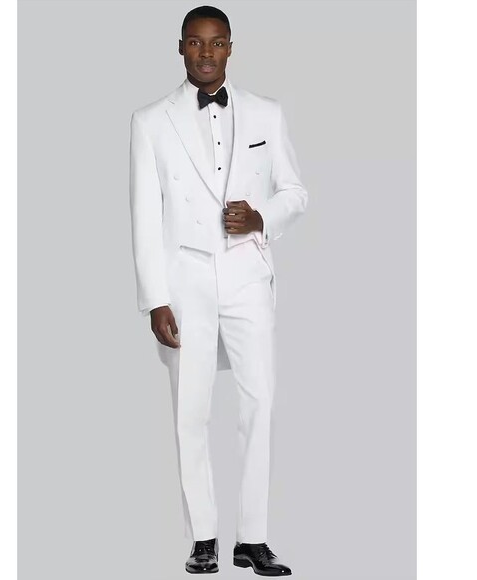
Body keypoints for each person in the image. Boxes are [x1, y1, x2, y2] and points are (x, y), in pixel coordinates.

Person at [129, 5, 307, 576]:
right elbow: (144, 216)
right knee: (190, 410)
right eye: (195, 42)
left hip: (247, 276)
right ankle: (203, 538)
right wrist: (155, 297)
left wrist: (261, 217)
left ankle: (252, 538)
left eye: (216, 42)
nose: (206, 53)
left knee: (260, 403)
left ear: (231, 47)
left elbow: (296, 192)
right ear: (180, 47)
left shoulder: (266, 112)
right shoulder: (150, 121)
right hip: (185, 283)